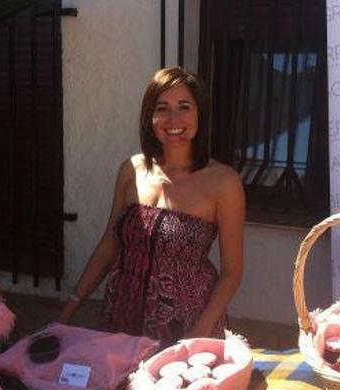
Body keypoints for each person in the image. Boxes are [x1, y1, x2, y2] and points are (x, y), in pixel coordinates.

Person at [58, 67, 245, 346]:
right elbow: (110, 244)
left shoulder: (224, 182)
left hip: (187, 328)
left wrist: (197, 335)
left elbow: (232, 272)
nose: (173, 119)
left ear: (200, 115)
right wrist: (67, 312)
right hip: (120, 319)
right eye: (162, 108)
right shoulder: (131, 170)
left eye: (184, 107)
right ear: (150, 117)